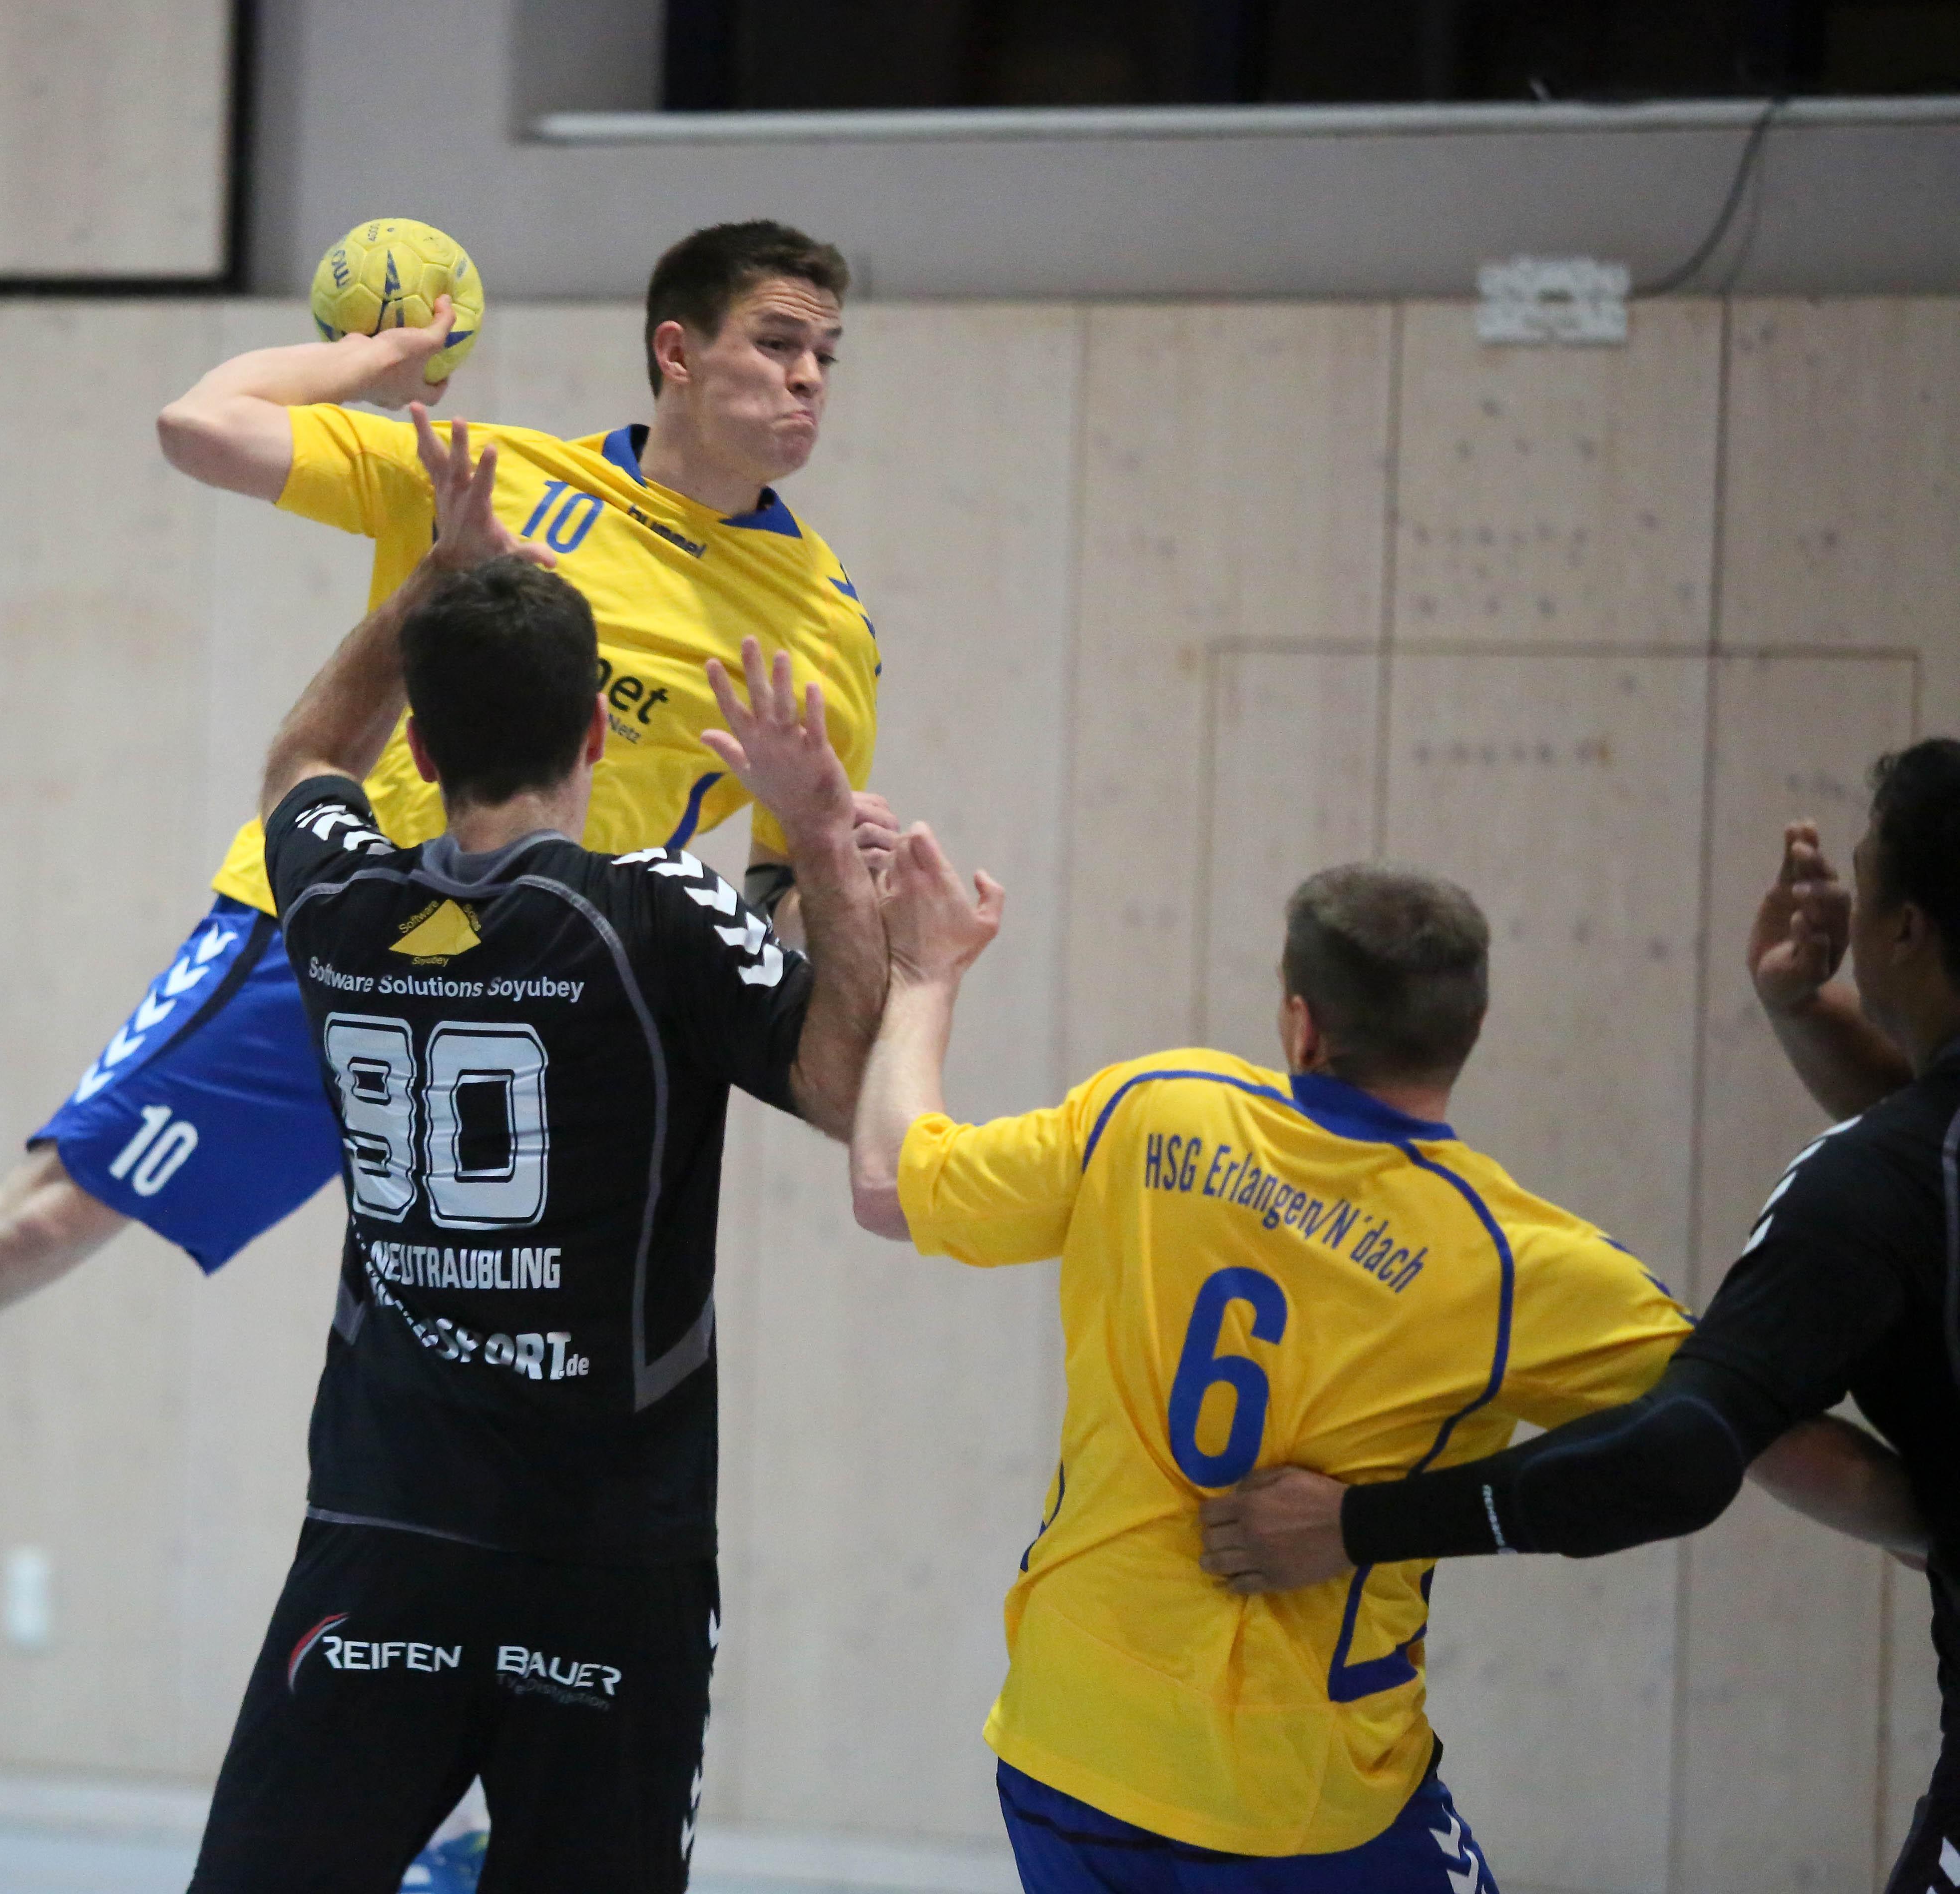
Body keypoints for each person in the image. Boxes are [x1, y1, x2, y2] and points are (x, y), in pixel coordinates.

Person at [0, 218, 886, 1723]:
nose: (806, 382)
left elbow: (785, 874)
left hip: (544, 1016)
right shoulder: (500, 477)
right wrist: (368, 365)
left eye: (825, 359)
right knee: (43, 1222)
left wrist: (767, 974)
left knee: (556, 1391)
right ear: (676, 348)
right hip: (326, 937)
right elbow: (199, 425)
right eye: (777, 345)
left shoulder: (824, 626)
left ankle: (491, 1785)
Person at [191, 413, 883, 1890]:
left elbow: (308, 753)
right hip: (608, 1556)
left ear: (424, 749)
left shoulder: (337, 908)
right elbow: (840, 1082)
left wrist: (426, 589)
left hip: (380, 1529)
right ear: (592, 736)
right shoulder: (649, 916)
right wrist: (819, 838)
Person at [847, 845, 1709, 1890]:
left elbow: (891, 1183)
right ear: (1470, 1032)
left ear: (1302, 1021)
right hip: (1300, 1793)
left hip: (1068, 1739)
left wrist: (927, 973)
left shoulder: (1153, 1108)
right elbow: (1724, 1433)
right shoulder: (1510, 1259)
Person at [1196, 739, 1960, 1894]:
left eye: (1866, 888)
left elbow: (1679, 1454)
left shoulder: (1853, 1190)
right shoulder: (1899, 1170)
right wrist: (1801, 1008)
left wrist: (1360, 1528)